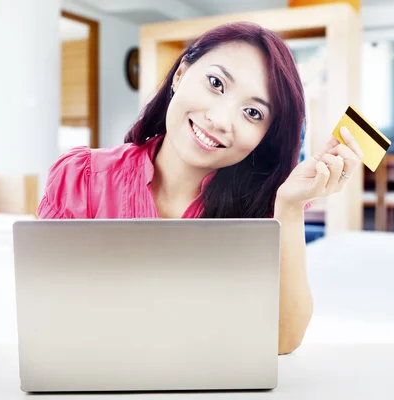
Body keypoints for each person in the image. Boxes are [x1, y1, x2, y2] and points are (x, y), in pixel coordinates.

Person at [37, 22, 364, 355]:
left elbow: (283, 340)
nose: (221, 119)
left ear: (265, 137)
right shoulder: (81, 177)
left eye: (252, 112)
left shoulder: (263, 210)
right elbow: (46, 313)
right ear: (181, 73)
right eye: (216, 83)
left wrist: (290, 208)